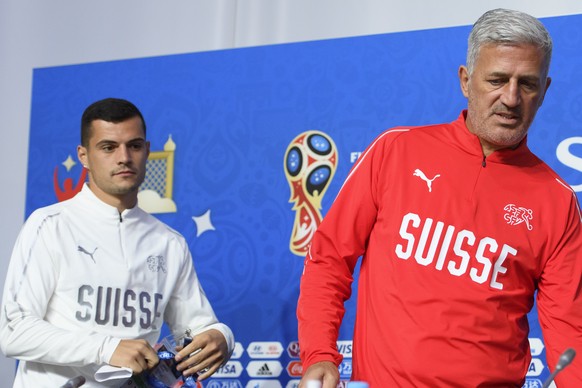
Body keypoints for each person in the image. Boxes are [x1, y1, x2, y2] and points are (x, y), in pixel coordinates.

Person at [297, 8, 582, 387]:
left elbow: (569, 332)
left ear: (545, 91)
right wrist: (320, 354)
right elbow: (329, 259)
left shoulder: (558, 201)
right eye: (497, 79)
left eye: (527, 84)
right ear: (466, 81)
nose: (511, 98)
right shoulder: (394, 151)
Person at [0, 98, 234, 387]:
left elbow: (197, 328)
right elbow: (14, 331)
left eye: (134, 145)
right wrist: (106, 347)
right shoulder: (50, 225)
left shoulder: (169, 242)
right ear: (84, 156)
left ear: (147, 151)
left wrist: (222, 336)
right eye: (108, 147)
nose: (124, 157)